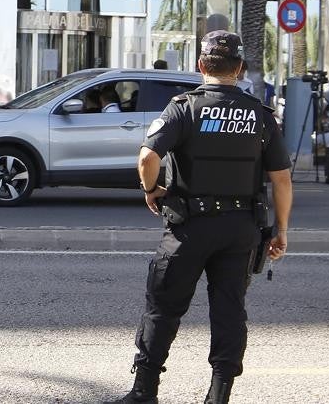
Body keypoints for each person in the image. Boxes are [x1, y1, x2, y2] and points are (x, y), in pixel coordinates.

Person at [116, 30, 292, 404]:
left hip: (189, 227)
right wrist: (281, 231)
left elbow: (148, 158)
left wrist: (151, 190)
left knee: (163, 308)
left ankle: (144, 391)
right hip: (240, 228)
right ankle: (218, 395)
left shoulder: (184, 107)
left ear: (201, 66)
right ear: (240, 68)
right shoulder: (260, 115)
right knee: (229, 310)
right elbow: (281, 178)